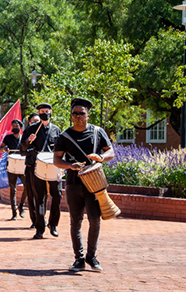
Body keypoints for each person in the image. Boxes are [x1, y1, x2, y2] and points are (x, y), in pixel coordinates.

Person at [53, 97, 114, 272]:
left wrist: (101, 158)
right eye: (75, 113)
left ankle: (91, 257)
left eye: (82, 113)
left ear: (88, 115)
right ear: (71, 115)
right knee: (75, 221)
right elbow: (56, 159)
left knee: (95, 220)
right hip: (73, 183)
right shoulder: (64, 136)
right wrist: (70, 165)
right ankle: (78, 259)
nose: (78, 116)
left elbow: (111, 151)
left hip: (94, 183)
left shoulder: (97, 132)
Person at [21, 103, 62, 239]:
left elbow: (61, 148)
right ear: (38, 113)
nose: (45, 113)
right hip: (36, 166)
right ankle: (40, 228)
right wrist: (28, 141)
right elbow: (22, 150)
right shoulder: (31, 129)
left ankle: (53, 224)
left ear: (50, 112)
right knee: (40, 198)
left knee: (58, 196)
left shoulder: (56, 130)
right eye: (42, 111)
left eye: (47, 111)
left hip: (53, 167)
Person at [0, 119, 27, 220]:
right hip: (11, 165)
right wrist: (4, 148)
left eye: (16, 126)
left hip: (23, 165)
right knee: (13, 189)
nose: (15, 127)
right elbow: (0, 148)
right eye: (13, 126)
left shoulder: (24, 138)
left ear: (20, 127)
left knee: (27, 187)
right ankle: (14, 213)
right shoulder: (8, 138)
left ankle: (21, 205)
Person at [21, 113, 41, 227]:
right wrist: (29, 143)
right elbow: (22, 151)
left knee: (41, 195)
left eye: (38, 121)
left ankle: (41, 218)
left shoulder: (45, 132)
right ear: (29, 123)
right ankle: (34, 220)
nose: (36, 123)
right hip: (30, 167)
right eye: (34, 122)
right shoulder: (27, 132)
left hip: (43, 169)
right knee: (31, 195)